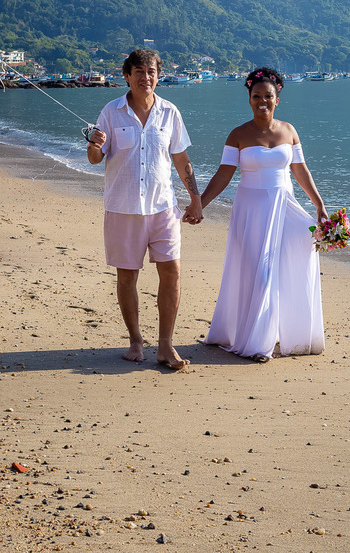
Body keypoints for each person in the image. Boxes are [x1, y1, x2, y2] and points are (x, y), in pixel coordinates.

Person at [198, 67, 327, 362]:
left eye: (268, 96)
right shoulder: (238, 135)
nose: (262, 101)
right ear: (249, 99)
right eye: (256, 96)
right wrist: (199, 204)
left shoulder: (289, 131)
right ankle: (257, 343)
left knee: (297, 253)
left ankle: (287, 333)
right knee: (260, 272)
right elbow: (223, 175)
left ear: (277, 99)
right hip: (251, 210)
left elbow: (300, 171)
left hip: (284, 206)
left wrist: (318, 205)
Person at [86, 49, 202, 369]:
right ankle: (136, 341)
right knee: (127, 277)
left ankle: (165, 346)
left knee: (172, 272)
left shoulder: (170, 112)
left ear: (158, 76)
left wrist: (196, 198)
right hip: (123, 208)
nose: (145, 77)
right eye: (138, 71)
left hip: (163, 207)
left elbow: (180, 158)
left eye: (150, 72)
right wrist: (94, 145)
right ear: (127, 76)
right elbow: (96, 159)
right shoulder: (111, 112)